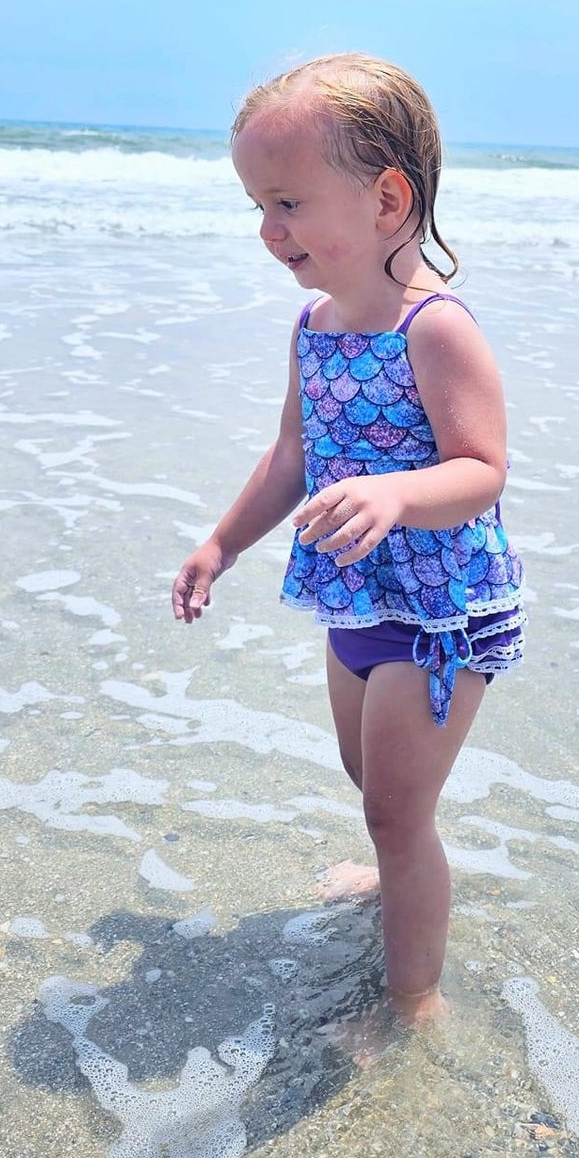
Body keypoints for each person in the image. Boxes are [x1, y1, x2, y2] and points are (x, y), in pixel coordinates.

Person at [171, 54, 524, 1025]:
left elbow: (479, 469)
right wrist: (222, 543)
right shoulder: (313, 325)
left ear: (385, 198)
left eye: (285, 201)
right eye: (255, 203)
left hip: (442, 612)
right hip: (356, 599)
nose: (265, 228)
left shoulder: (435, 329)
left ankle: (412, 999)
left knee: (395, 812)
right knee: (366, 776)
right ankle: (391, 874)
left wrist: (395, 492)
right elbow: (291, 452)